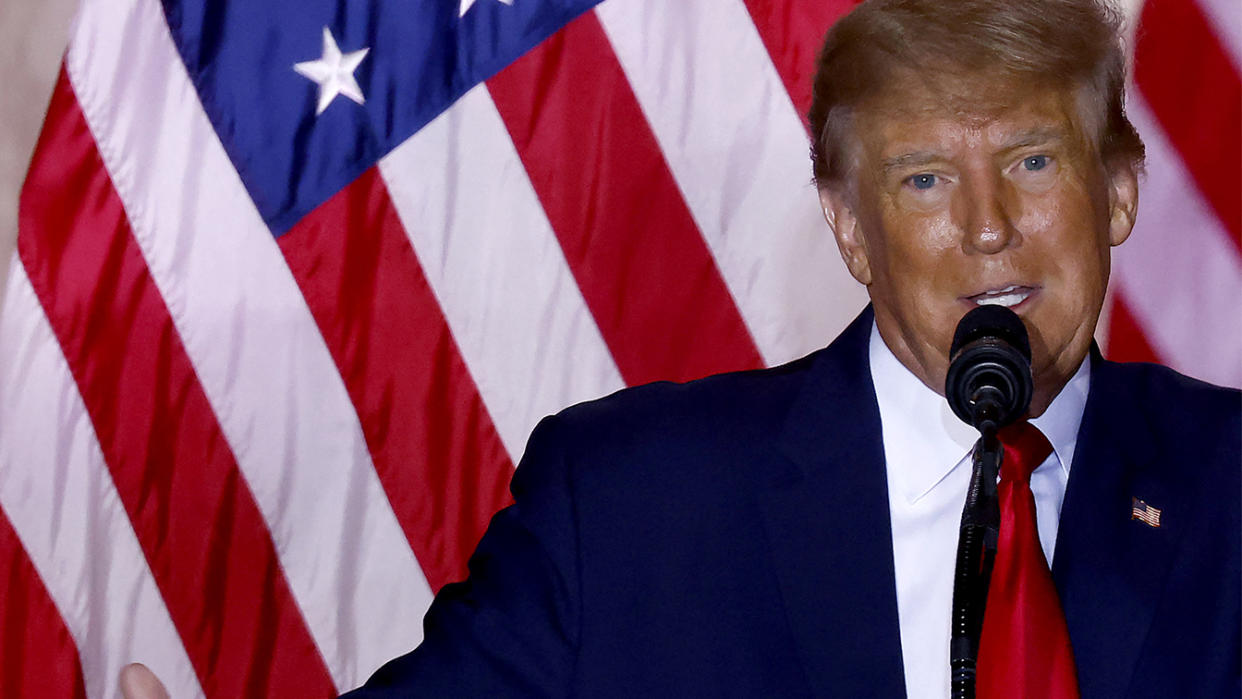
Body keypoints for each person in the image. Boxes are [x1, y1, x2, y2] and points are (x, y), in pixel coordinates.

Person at [123, 0, 1242, 696]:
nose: (988, 223)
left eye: (1036, 162)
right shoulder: (626, 508)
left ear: (1122, 192)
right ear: (851, 228)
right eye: (925, 179)